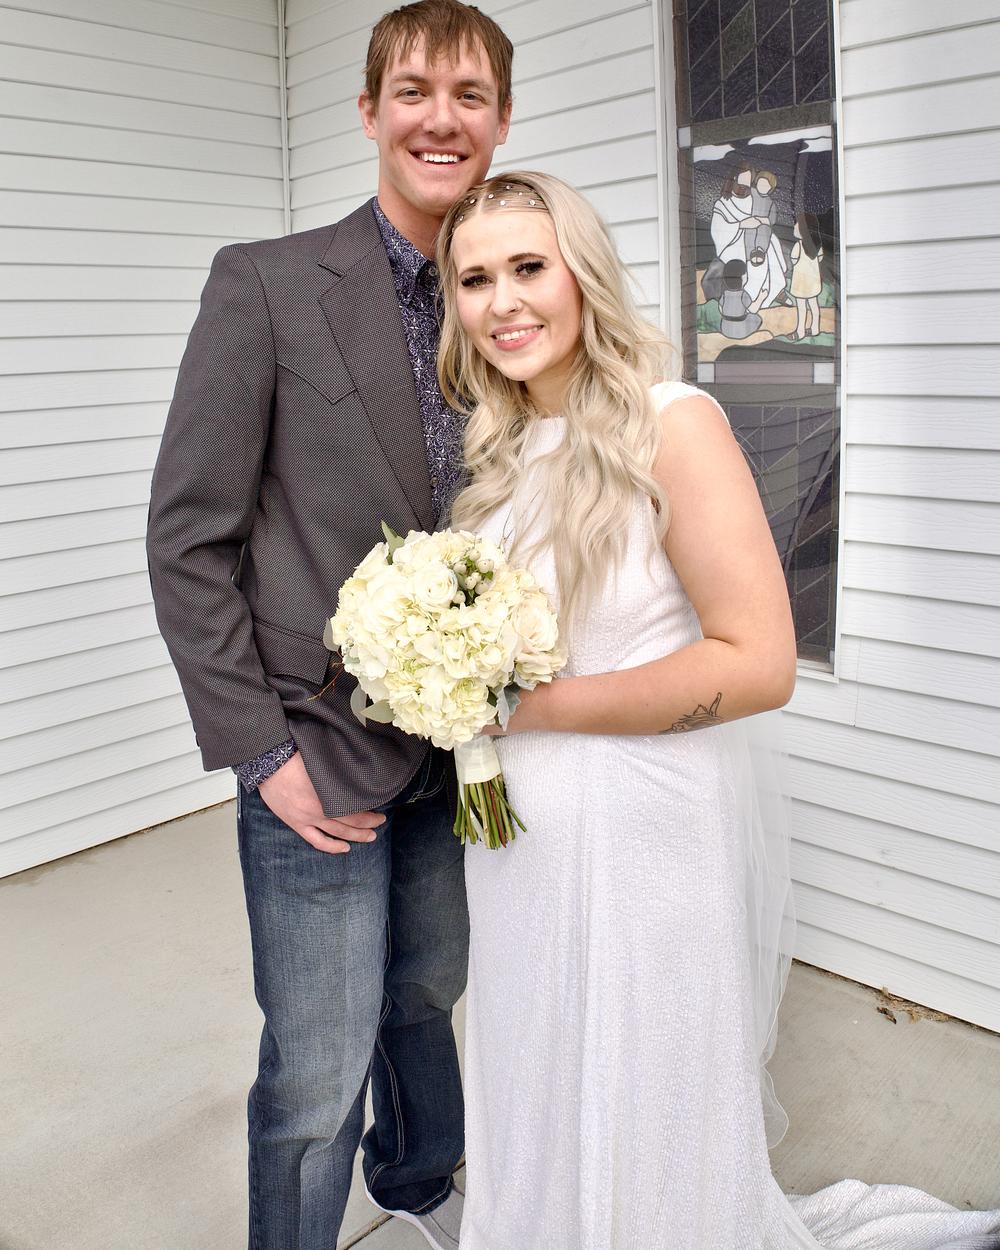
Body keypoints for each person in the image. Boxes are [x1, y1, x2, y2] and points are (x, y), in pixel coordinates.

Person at [435, 170, 1000, 1250]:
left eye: (529, 267)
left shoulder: (672, 423)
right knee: (533, 1047)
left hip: (644, 822)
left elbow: (758, 663)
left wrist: (533, 708)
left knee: (641, 1065)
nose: (502, 301)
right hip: (517, 837)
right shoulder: (495, 455)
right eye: (474, 279)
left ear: (582, 274)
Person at [145, 4, 512, 1248]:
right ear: (368, 111)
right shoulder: (264, 284)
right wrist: (263, 752)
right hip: (315, 751)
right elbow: (188, 539)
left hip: (464, 753)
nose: (440, 119)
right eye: (413, 91)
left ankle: (416, 1181)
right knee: (313, 1072)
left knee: (426, 995)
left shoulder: (509, 297)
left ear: (500, 120)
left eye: (469, 95)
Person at [789, 211, 825, 340]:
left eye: (797, 224)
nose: (794, 227)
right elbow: (820, 258)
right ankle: (815, 329)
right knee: (814, 304)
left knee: (801, 307)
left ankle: (800, 332)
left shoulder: (798, 246)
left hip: (801, 283)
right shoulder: (818, 246)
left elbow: (793, 260)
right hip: (813, 282)